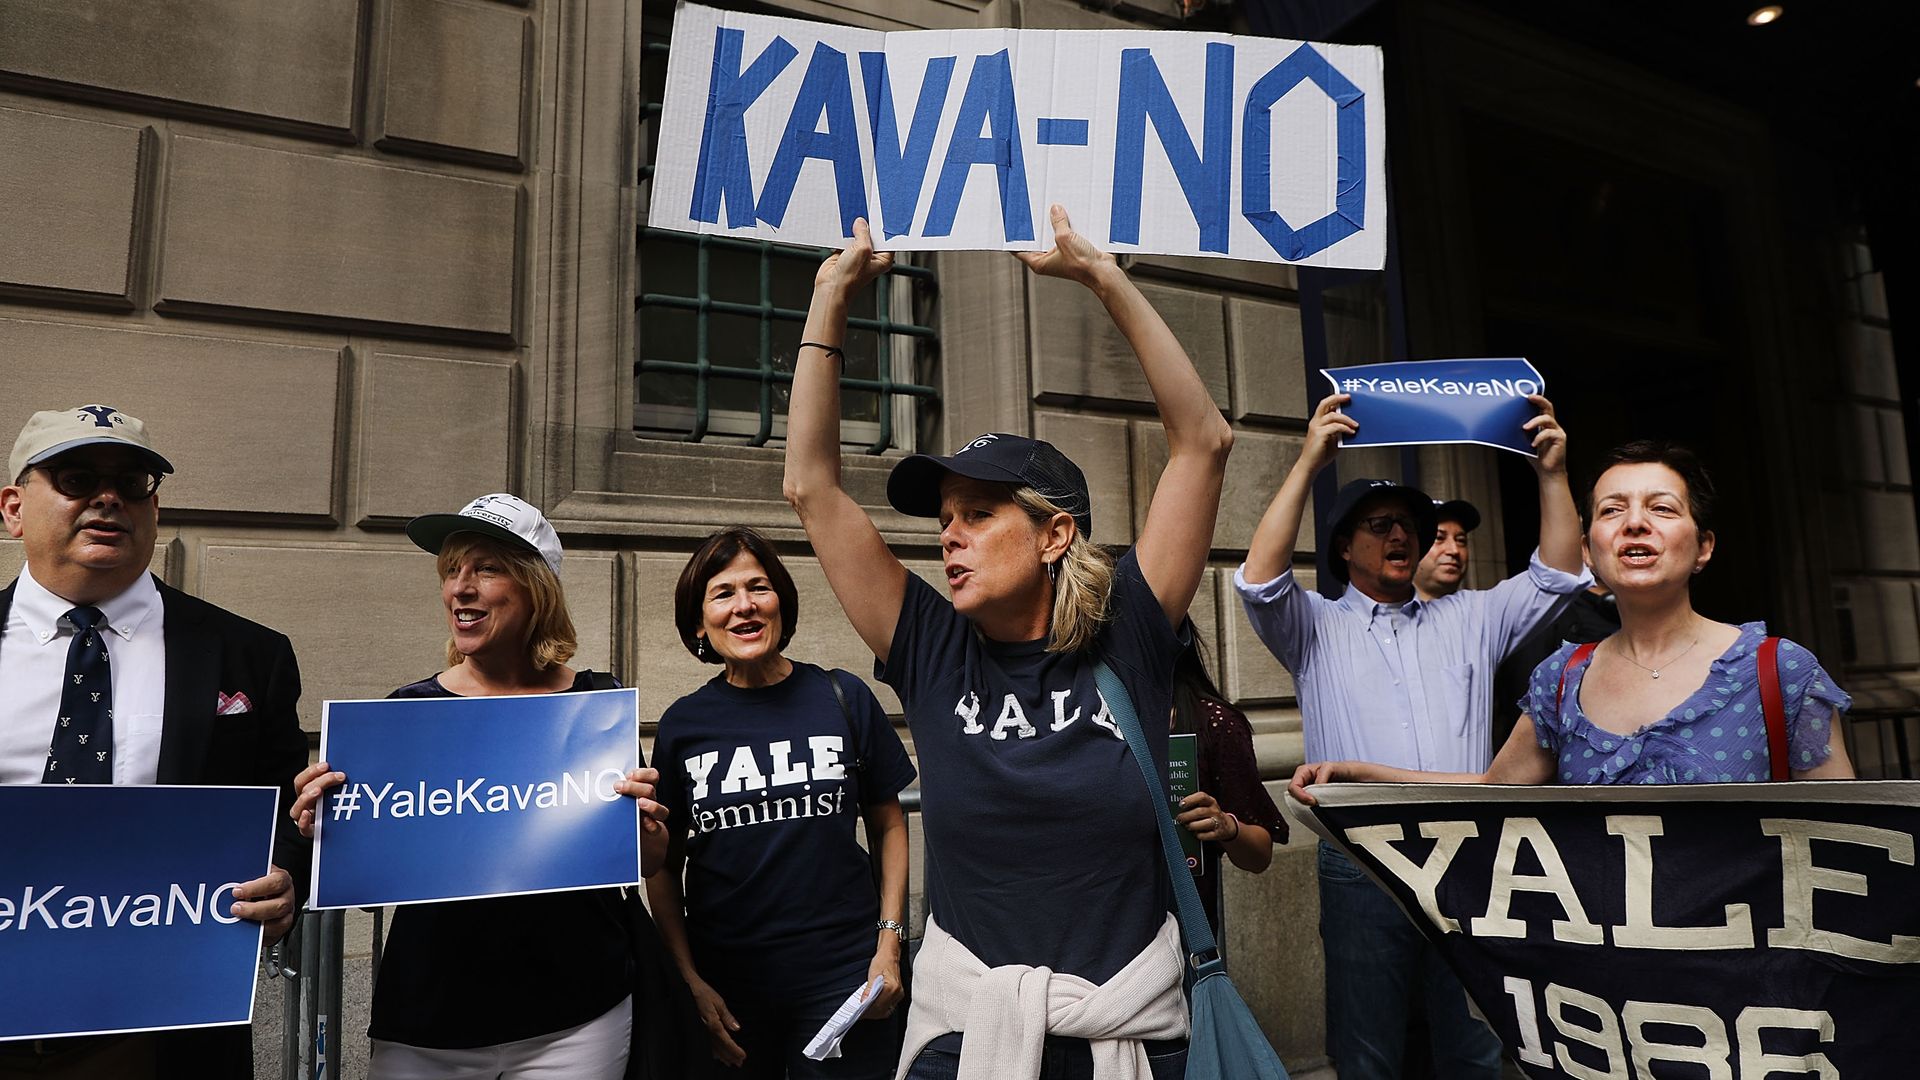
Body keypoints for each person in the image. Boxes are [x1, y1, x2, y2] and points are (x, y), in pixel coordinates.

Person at [783, 208, 1233, 1080]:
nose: (950, 537)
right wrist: (828, 296)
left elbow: (1205, 442)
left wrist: (1103, 276)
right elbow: (811, 485)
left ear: (1055, 534)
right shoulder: (927, 643)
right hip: (965, 1040)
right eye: (944, 520)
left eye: (980, 515)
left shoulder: (1131, 628)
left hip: (1127, 1038)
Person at [1235, 392, 1588, 1080]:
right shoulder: (1315, 627)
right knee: (1368, 1055)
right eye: (1380, 524)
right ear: (1344, 545)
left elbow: (1559, 575)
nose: (1401, 535)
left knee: (1477, 1050)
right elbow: (1258, 582)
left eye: (1410, 526)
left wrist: (1551, 472)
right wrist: (1309, 461)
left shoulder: (1473, 617)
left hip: (1471, 859)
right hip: (1362, 862)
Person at [289, 494, 669, 1080]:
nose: (459, 588)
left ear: (534, 588)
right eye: (452, 571)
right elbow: (366, 891)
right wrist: (328, 837)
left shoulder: (594, 705)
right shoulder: (409, 712)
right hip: (430, 1023)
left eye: (485, 569)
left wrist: (645, 828)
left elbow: (644, 861)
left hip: (577, 1016)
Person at [0, 404, 308, 1080]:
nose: (109, 497)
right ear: (14, 508)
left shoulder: (248, 654)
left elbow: (286, 804)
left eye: (134, 482)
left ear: (155, 509)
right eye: (77, 477)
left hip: (168, 1035)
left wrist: (285, 881)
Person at [1290, 440, 1855, 796]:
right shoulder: (1560, 681)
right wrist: (1363, 773)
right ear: (1590, 549)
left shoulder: (1778, 673)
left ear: (1703, 546)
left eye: (1661, 508)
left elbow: (1845, 836)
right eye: (1613, 511)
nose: (1635, 524)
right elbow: (1493, 786)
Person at [647, 526, 915, 1080]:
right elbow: (663, 870)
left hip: (845, 977)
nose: (744, 605)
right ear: (699, 623)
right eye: (723, 593)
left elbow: (889, 824)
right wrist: (690, 982)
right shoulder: (682, 726)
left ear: (781, 603)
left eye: (758, 587)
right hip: (731, 988)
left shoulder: (841, 697)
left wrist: (889, 945)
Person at [1169, 633, 1284, 938]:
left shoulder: (1213, 721)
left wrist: (1227, 827)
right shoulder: (1084, 720)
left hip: (1184, 939)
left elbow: (1259, 853)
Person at [1413, 499, 1479, 601]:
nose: (1454, 550)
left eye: (1461, 540)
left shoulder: (1482, 611)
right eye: (1439, 538)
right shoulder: (1385, 613)